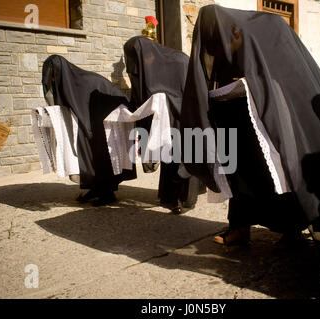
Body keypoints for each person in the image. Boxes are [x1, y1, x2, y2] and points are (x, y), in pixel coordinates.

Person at [180, 5, 320, 265]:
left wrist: (253, 88)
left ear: (234, 32)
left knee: (279, 174)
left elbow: (281, 81)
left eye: (222, 40)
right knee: (238, 173)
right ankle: (239, 227)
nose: (219, 49)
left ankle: (291, 230)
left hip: (273, 122)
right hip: (237, 123)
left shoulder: (266, 30)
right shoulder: (230, 49)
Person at [123, 17, 203, 214]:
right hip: (167, 120)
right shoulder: (149, 67)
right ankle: (169, 196)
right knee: (169, 156)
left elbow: (187, 89)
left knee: (184, 157)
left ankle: (185, 200)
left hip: (184, 116)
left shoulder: (177, 60)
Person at [41, 55, 136, 206]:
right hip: (88, 123)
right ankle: (95, 188)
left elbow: (115, 96)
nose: (53, 82)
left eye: (54, 77)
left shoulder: (84, 80)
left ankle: (107, 194)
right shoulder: (67, 83)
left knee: (101, 158)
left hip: (103, 123)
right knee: (86, 158)